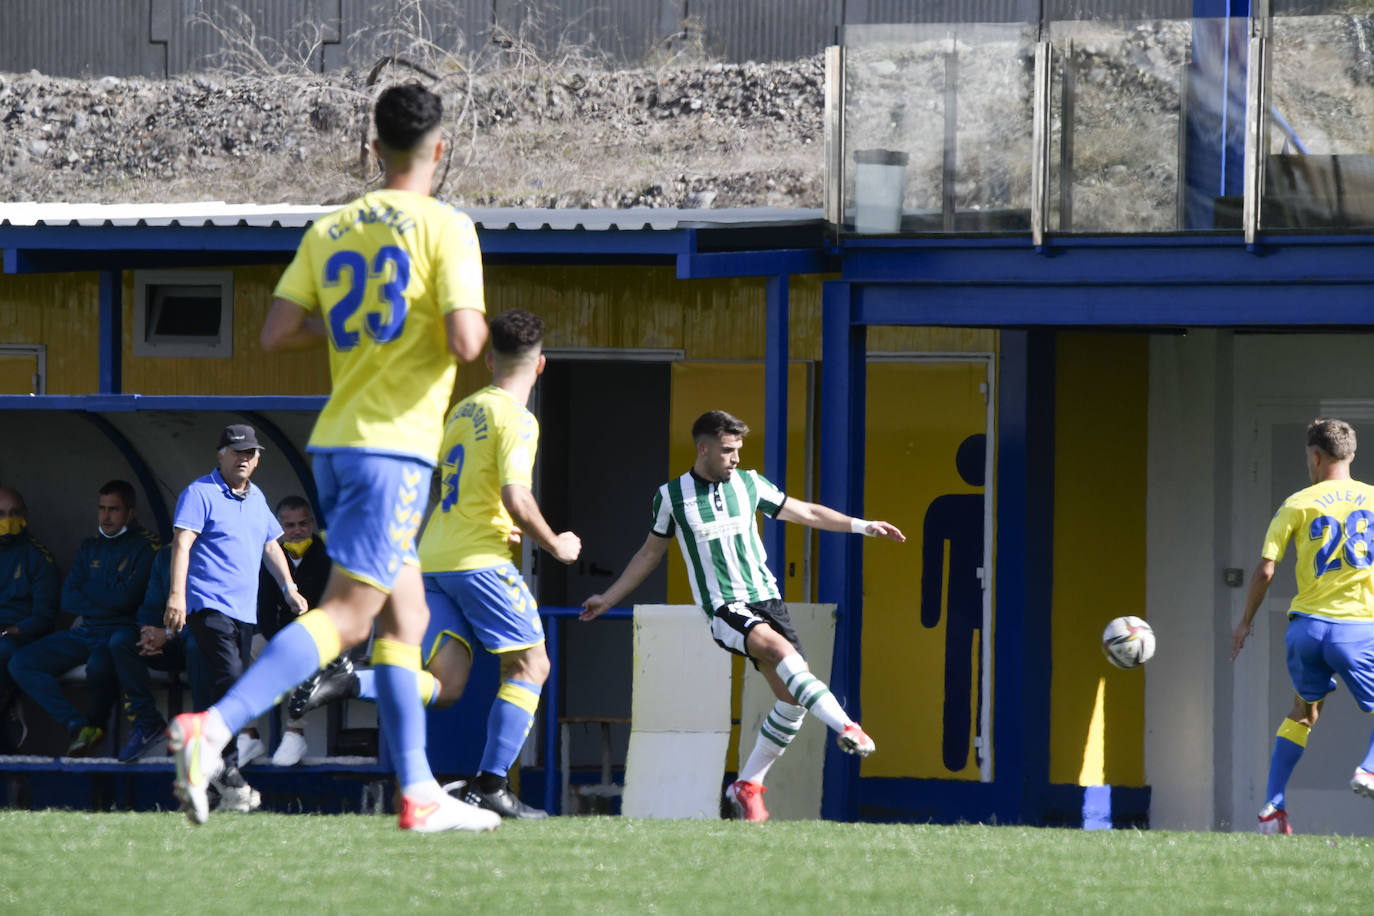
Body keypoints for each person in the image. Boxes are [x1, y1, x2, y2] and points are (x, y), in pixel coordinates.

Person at [167, 81, 497, 832]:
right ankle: (212, 728)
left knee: (406, 615)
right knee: (351, 616)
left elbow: (278, 332)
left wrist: (356, 335)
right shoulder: (446, 227)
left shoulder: (332, 228)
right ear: (439, 149)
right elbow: (469, 341)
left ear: (372, 148)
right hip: (395, 447)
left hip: (337, 443)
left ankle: (418, 793)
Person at [295, 309, 579, 818]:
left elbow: (447, 486)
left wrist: (491, 518)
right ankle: (491, 786)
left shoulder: (463, 410)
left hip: (435, 559)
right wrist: (556, 543)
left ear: (490, 359)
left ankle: (349, 680)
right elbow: (517, 495)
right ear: (541, 367)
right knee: (532, 665)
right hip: (479, 561)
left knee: (446, 686)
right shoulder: (517, 418)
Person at [580, 409, 906, 822]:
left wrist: (863, 526)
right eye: (729, 450)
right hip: (725, 608)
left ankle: (748, 783)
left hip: (768, 600)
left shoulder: (750, 484)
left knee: (792, 700)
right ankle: (847, 727)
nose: (736, 458)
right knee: (778, 650)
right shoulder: (671, 497)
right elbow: (649, 553)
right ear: (704, 448)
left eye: (739, 450)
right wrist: (608, 598)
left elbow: (804, 513)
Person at [1231, 417, 1374, 835]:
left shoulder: (1296, 503)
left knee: (1303, 713)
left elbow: (1265, 570)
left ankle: (1273, 808)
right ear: (1351, 454)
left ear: (1315, 456)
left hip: (1307, 631)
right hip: (1357, 629)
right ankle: (1368, 770)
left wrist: (1244, 623)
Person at [164, 426, 305, 810]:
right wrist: (177, 595)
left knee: (218, 690)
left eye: (251, 453)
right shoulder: (199, 493)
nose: (244, 458)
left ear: (257, 460)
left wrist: (289, 588)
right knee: (234, 680)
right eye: (236, 451)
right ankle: (228, 771)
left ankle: (213, 774)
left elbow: (270, 544)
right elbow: (182, 543)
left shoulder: (256, 497)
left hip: (245, 613)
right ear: (220, 455)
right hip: (208, 607)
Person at [8, 480, 157, 755]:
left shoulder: (146, 546)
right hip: (85, 631)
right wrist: (109, 597)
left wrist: (90, 589)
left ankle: (96, 729)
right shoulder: (91, 546)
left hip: (121, 633)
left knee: (101, 665)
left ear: (131, 513)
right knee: (21, 662)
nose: (106, 516)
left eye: (114, 509)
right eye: (102, 509)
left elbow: (127, 600)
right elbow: (69, 598)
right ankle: (77, 725)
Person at [241, 495, 332, 767]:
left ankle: (295, 732)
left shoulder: (326, 555)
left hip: (316, 636)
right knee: (243, 652)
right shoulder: (271, 555)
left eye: (302, 524)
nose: (296, 530)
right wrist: (277, 639)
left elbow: (327, 606)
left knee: (303, 654)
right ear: (279, 526)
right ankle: (248, 735)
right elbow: (264, 609)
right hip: (278, 636)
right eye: (289, 525)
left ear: (311, 523)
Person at [107, 544, 211, 762]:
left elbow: (212, 617)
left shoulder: (213, 552)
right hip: (168, 643)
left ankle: (204, 732)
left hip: (201, 641)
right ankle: (148, 722)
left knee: (198, 644)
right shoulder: (166, 555)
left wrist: (168, 634)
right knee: (122, 642)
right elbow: (152, 605)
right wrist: (148, 634)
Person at [0, 487, 59, 750]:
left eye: (13, 513)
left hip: (19, 638)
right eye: (1, 514)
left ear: (25, 515)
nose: (7, 520)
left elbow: (44, 618)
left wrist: (10, 630)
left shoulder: (37, 556)